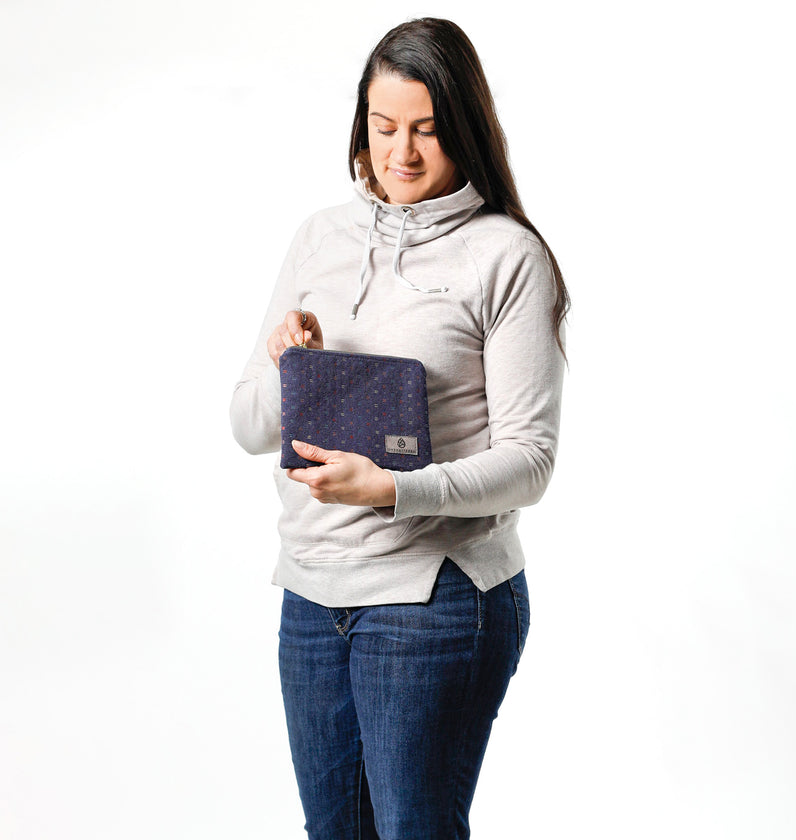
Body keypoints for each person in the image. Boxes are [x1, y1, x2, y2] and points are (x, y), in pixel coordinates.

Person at [229, 17, 569, 840]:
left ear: (465, 129)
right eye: (385, 129)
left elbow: (530, 462)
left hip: (436, 596)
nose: (403, 154)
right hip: (311, 591)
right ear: (363, 127)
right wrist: (289, 365)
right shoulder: (321, 238)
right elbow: (246, 425)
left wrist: (394, 492)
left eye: (426, 129)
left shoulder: (507, 257)